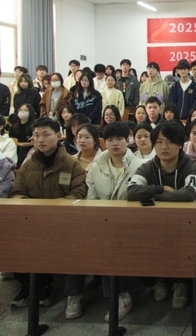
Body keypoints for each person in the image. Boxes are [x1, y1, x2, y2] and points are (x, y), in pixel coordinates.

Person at [10, 117, 87, 317]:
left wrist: (50, 213)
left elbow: (78, 195)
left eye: (46, 135)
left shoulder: (72, 164)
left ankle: (62, 291)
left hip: (64, 224)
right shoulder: (28, 166)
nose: (40, 140)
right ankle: (30, 285)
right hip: (33, 223)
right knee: (14, 242)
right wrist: (33, 213)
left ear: (59, 136)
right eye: (36, 136)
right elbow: (17, 192)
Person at [127, 121, 196, 309]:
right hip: (155, 224)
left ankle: (181, 283)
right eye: (159, 142)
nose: (164, 147)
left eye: (170, 142)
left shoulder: (192, 165)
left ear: (180, 144)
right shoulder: (148, 166)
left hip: (186, 224)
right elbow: (131, 191)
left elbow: (189, 194)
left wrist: (154, 196)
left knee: (185, 241)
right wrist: (162, 188)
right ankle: (157, 281)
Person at [86, 121, 144, 320]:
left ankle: (122, 296)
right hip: (102, 223)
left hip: (130, 224)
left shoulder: (140, 166)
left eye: (119, 138)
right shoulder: (96, 166)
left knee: (111, 245)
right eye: (110, 139)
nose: (115, 143)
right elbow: (91, 198)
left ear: (128, 140)